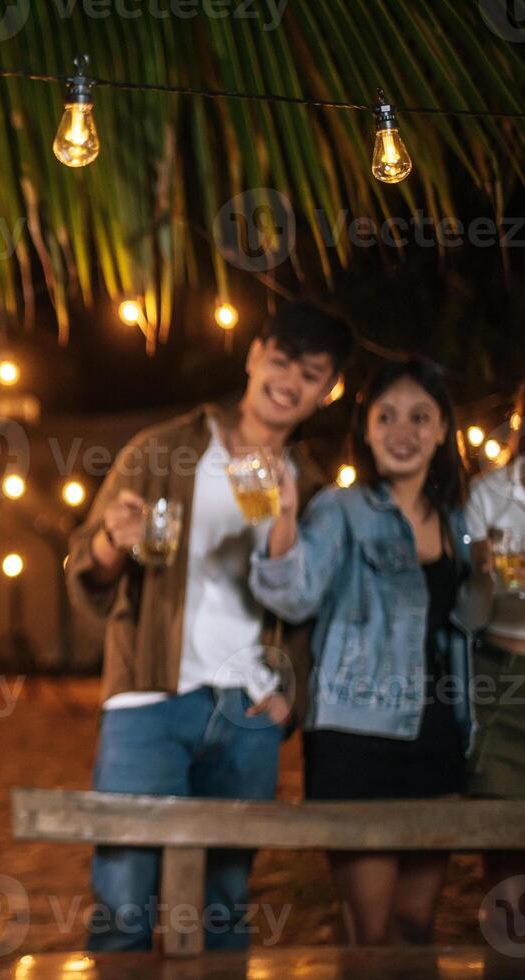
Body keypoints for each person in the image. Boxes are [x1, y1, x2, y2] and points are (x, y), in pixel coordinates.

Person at [67, 302, 353, 952]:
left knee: (225, 909)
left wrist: (290, 702)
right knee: (123, 906)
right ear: (255, 355)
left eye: (311, 373)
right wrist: (113, 539)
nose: (289, 380)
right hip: (147, 700)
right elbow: (86, 572)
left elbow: (312, 614)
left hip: (249, 711)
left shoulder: (309, 489)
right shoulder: (162, 450)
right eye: (281, 359)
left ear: (327, 389)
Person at [250, 357, 474, 945]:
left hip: (440, 739)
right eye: (387, 416)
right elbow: (294, 596)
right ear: (366, 429)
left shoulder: (460, 524)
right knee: (368, 933)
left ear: (443, 428)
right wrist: (284, 519)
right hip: (356, 737)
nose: (403, 432)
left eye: (420, 417)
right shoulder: (340, 511)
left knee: (416, 925)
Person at [464, 378, 525, 951]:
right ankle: (507, 958)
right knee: (504, 839)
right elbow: (469, 610)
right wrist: (479, 572)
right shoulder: (488, 492)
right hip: (503, 675)